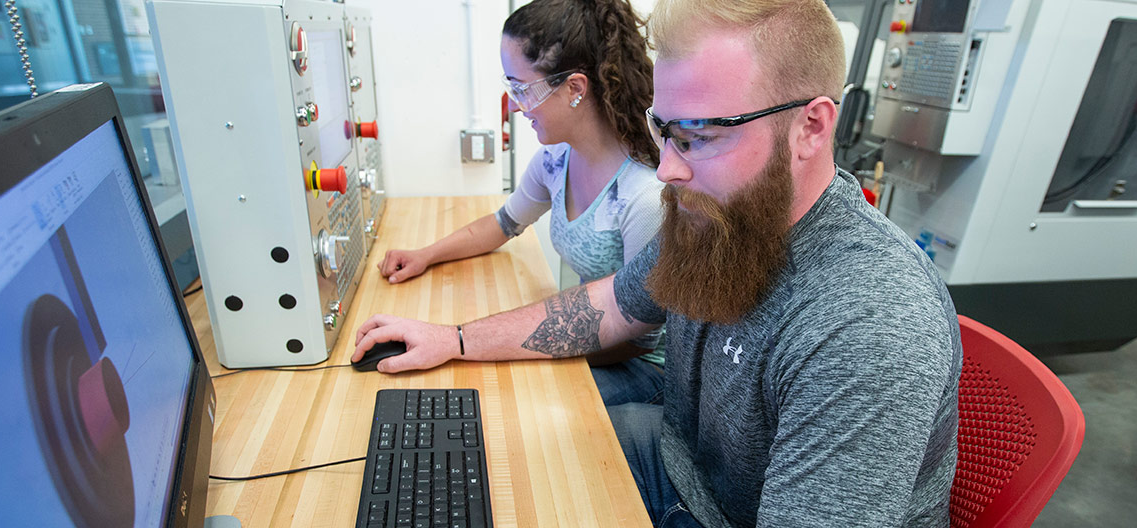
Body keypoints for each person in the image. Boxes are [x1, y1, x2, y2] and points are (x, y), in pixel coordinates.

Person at [354, 0, 962, 525]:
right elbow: (611, 306)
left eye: (697, 136)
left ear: (810, 127)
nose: (667, 168)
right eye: (664, 131)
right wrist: (452, 338)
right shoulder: (716, 217)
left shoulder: (869, 321)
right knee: (479, 459)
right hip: (680, 464)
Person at [376, 0, 668, 406]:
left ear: (575, 88)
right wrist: (425, 255)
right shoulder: (555, 160)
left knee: (516, 402)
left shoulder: (644, 196)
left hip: (641, 366)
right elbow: (500, 225)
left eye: (521, 88)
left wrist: (519, 342)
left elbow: (639, 335)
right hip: (592, 337)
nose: (514, 105)